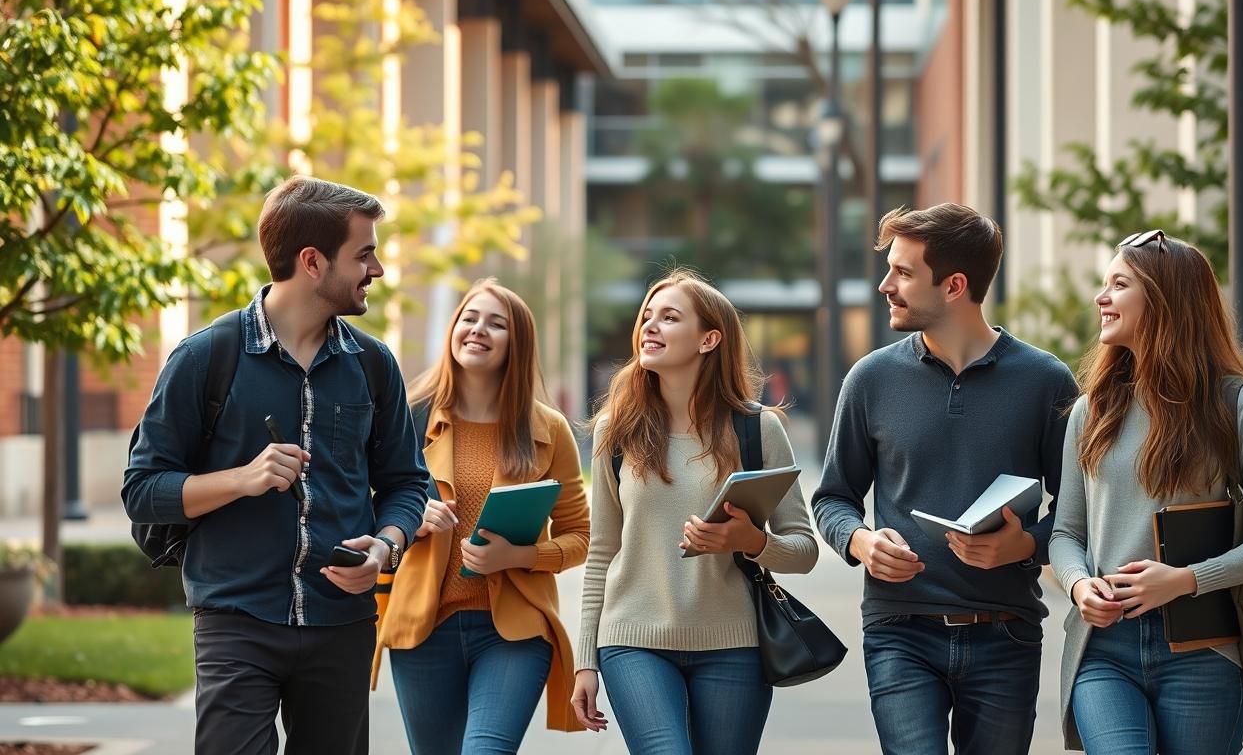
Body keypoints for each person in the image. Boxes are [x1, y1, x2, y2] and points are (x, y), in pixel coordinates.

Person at [122, 176, 432, 755]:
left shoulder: (373, 365)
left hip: (341, 622)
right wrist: (241, 479)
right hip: (236, 619)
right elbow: (143, 489)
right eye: (364, 254)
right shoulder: (206, 357)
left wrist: (386, 546)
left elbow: (407, 483)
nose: (379, 269)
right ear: (312, 262)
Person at [810, 203, 1078, 755]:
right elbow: (833, 498)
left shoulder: (1046, 381)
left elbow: (1081, 513)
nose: (886, 285)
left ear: (954, 285)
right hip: (899, 629)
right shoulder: (870, 379)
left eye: (903, 272)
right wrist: (861, 542)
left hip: (1008, 631)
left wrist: (1026, 545)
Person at [1049, 230, 1243, 753]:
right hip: (1104, 649)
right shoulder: (1090, 411)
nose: (1101, 298)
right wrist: (1078, 586)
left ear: (1163, 299)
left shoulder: (1238, 405)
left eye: (1118, 285)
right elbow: (1065, 533)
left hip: (1203, 650)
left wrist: (1187, 580)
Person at [570, 269, 818, 755]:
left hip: (734, 646)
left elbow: (804, 549)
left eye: (669, 317)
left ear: (709, 339)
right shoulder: (614, 431)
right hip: (633, 640)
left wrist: (750, 541)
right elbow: (602, 552)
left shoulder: (759, 430)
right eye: (647, 316)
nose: (650, 326)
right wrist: (585, 661)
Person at [374, 279, 590, 754]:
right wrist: (410, 518)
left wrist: (521, 554)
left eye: (497, 323)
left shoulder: (547, 430)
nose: (478, 330)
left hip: (513, 630)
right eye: (469, 318)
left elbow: (580, 537)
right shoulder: (407, 417)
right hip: (424, 628)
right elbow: (360, 509)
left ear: (518, 343)